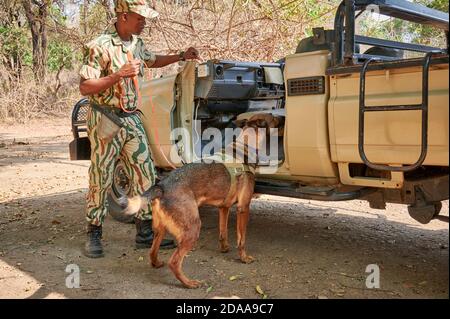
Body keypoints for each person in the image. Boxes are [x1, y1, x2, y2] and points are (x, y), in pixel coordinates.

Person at [79, 0, 199, 258]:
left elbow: (153, 61)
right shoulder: (98, 46)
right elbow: (85, 87)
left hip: (131, 117)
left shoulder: (136, 44)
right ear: (123, 17)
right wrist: (117, 76)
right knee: (101, 176)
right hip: (105, 117)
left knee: (145, 173)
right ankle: (94, 232)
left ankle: (144, 231)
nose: (144, 22)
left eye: (144, 18)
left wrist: (181, 56)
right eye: (139, 17)